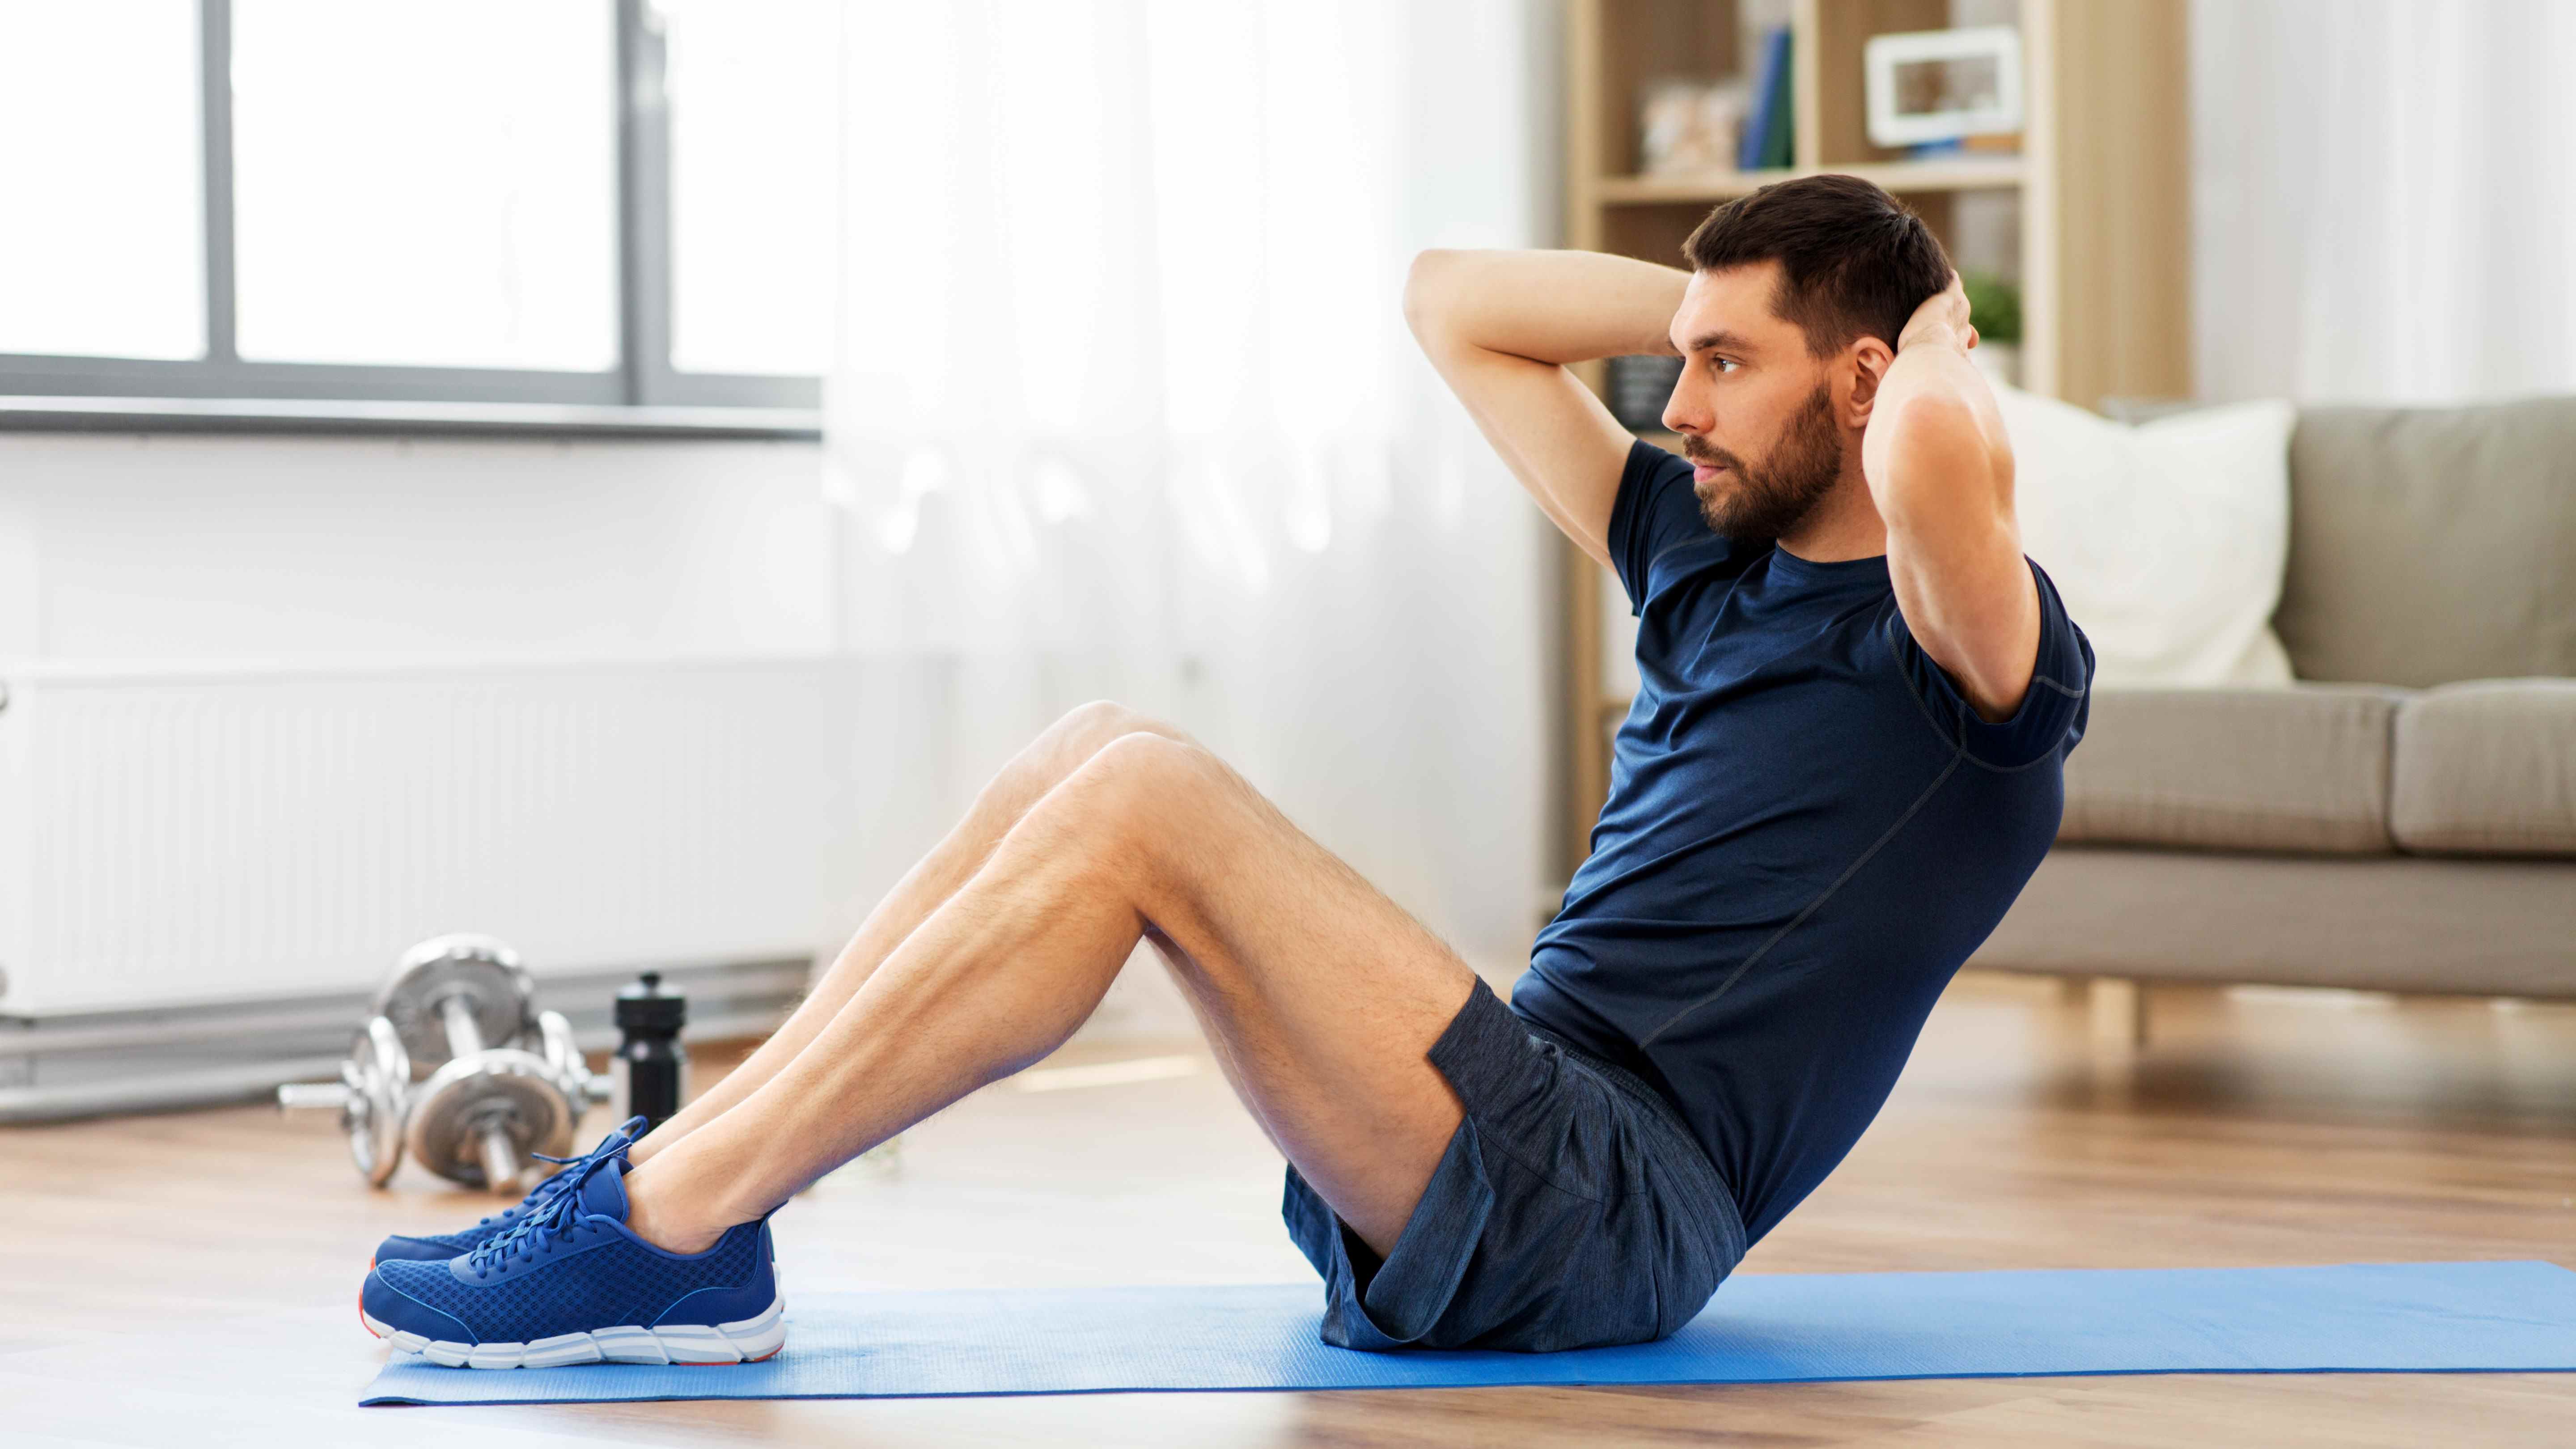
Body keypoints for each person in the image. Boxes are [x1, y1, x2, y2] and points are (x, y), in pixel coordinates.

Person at [357, 173, 2092, 1368]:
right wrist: (1736, 303)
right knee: (1093, 749)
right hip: (1492, 1137)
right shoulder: (1712, 553)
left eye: (1725, 367)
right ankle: (677, 1188)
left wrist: (1915, 328)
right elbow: (1455, 304)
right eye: (1685, 361)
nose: (1681, 400)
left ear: (1863, 385)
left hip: (1613, 1209)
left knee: (1150, 799)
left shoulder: (1964, 657)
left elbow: (1941, 448)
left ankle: (668, 1234)